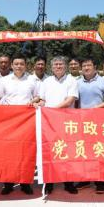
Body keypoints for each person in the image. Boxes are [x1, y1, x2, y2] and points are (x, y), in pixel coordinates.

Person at [0, 53, 41, 195]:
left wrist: (33, 101)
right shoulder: (4, 80)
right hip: (9, 121)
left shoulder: (33, 80)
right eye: (16, 64)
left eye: (22, 64)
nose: (19, 66)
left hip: (26, 121)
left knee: (26, 153)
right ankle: (8, 183)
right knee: (8, 154)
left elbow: (38, 96)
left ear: (26, 65)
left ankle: (25, 183)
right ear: (12, 65)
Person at [38, 56, 79, 194]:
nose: (58, 66)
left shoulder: (71, 80)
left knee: (68, 152)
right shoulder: (47, 81)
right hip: (49, 122)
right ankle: (50, 182)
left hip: (67, 122)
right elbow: (43, 100)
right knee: (50, 152)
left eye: (61, 64)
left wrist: (52, 110)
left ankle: (69, 183)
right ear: (51, 67)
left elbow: (70, 100)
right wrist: (38, 105)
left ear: (65, 66)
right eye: (55, 64)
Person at [75, 58, 104, 194]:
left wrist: (96, 108)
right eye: (84, 65)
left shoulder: (103, 82)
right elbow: (75, 101)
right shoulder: (78, 82)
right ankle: (85, 179)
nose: (86, 67)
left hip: (99, 122)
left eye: (89, 65)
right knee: (84, 151)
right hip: (82, 122)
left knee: (100, 151)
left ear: (95, 67)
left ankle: (100, 182)